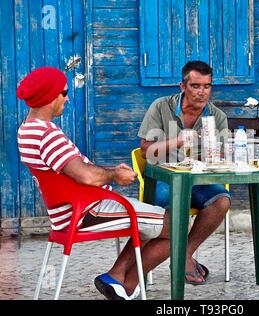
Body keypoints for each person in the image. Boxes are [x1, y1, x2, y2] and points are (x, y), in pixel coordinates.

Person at [16, 66, 171, 300]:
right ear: (49, 96)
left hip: (69, 211)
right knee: (177, 225)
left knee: (151, 218)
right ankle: (127, 284)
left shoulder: (26, 130)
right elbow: (86, 176)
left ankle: (116, 275)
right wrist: (115, 175)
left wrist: (109, 174)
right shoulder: (47, 135)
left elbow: (73, 172)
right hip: (86, 210)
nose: (67, 98)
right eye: (64, 92)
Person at [138, 60, 231, 285]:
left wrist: (216, 157)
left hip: (198, 179)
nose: (201, 92)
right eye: (195, 86)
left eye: (206, 86)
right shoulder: (161, 107)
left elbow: (220, 157)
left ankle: (185, 255)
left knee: (222, 201)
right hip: (164, 178)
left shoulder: (217, 117)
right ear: (183, 86)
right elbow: (146, 151)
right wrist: (178, 141)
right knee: (175, 206)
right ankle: (136, 272)